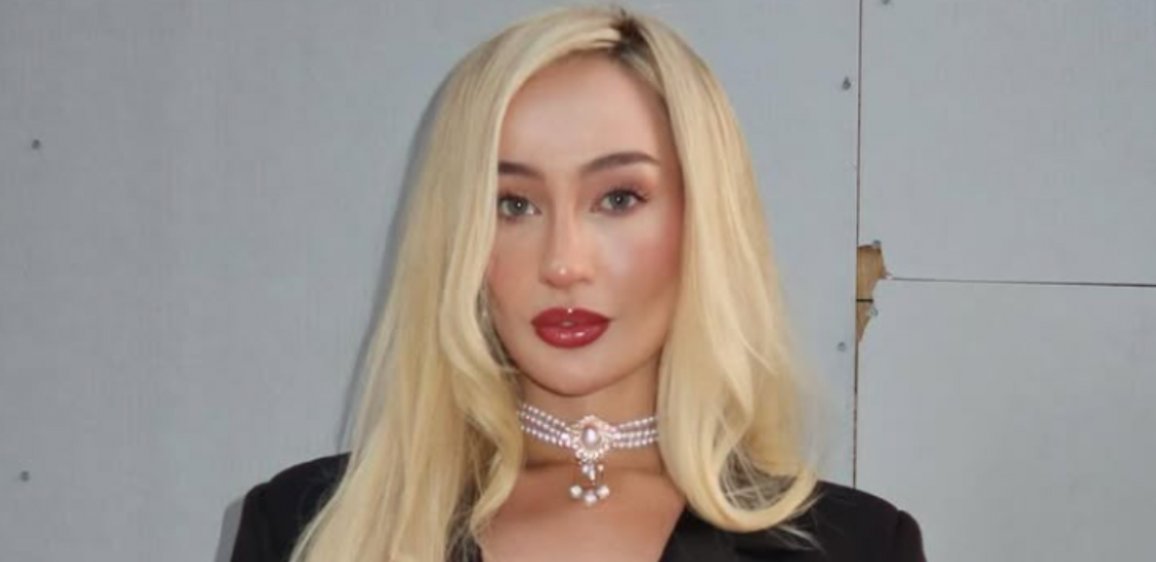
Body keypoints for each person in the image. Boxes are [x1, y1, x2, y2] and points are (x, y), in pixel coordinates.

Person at [230, 5, 925, 562]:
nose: (563, 263)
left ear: (703, 222)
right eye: (513, 205)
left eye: (618, 199)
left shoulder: (858, 546)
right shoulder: (304, 527)